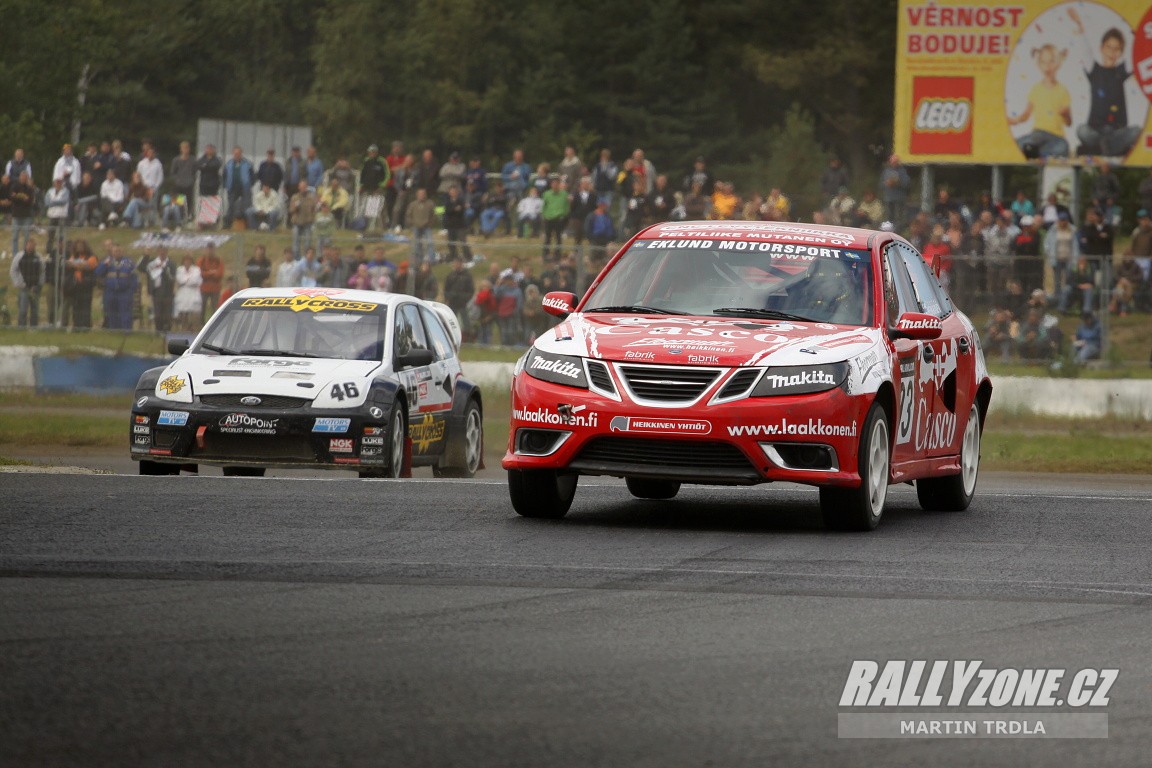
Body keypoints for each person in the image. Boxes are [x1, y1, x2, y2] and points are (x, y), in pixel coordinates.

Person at [1068, 9, 1142, 157]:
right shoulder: (1094, 69)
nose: (1112, 52)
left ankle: (1104, 147)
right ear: (1101, 48)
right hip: (1095, 130)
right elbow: (1084, 50)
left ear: (1121, 52)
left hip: (1116, 130)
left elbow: (1138, 54)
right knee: (1081, 130)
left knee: (1136, 131)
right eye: (1109, 47)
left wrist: (1139, 34)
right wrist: (1078, 24)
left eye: (1117, 49)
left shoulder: (1121, 71)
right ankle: (1108, 147)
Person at [1008, 43, 1071, 158]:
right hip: (1039, 133)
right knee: (1023, 141)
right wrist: (1014, 120)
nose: (1048, 66)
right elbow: (1026, 114)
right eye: (1044, 62)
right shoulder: (1036, 89)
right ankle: (1032, 150)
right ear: (1039, 64)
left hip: (1056, 136)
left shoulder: (1063, 90)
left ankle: (1035, 152)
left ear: (1058, 63)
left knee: (1064, 147)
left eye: (1051, 61)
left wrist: (1066, 115)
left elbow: (1068, 122)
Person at [96, 244, 138, 330]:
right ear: (112, 252)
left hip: (125, 293)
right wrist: (105, 264)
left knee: (125, 312)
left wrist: (132, 289)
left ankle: (126, 331)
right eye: (115, 251)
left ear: (122, 252)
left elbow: (134, 277)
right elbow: (98, 272)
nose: (117, 253)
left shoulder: (128, 262)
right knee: (112, 312)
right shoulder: (107, 261)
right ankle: (114, 331)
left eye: (119, 251)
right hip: (110, 292)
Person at [9, 236, 44, 327]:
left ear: (35, 246)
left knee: (35, 309)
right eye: (29, 245)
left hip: (35, 288)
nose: (30, 247)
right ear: (26, 245)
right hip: (24, 288)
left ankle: (34, 327)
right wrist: (19, 283)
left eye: (32, 245)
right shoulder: (19, 256)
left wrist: (40, 284)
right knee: (23, 309)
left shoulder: (38, 257)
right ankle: (21, 326)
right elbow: (13, 271)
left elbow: (42, 271)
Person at [65, 240, 99, 328]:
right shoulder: (74, 256)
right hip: (75, 286)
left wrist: (75, 264)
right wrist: (79, 264)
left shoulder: (92, 256)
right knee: (76, 308)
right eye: (78, 246)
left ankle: (85, 326)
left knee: (85, 307)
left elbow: (89, 265)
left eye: (81, 246)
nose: (79, 248)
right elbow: (67, 263)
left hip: (86, 285)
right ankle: (76, 326)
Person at [142, 247, 176, 333]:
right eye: (160, 252)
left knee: (167, 315)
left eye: (164, 252)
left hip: (168, 293)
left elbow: (172, 278)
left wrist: (165, 270)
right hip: (156, 292)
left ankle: (167, 332)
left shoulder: (171, 264)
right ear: (157, 252)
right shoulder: (152, 263)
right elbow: (141, 268)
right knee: (157, 315)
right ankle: (159, 332)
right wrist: (146, 256)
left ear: (167, 252)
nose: (162, 254)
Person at [404, 188, 436, 272]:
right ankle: (418, 260)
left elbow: (433, 215)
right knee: (416, 244)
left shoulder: (430, 204)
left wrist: (430, 223)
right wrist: (412, 223)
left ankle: (431, 260)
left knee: (430, 242)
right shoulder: (412, 204)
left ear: (425, 194)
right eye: (420, 194)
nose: (421, 196)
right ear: (417, 195)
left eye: (423, 194)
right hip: (416, 227)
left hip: (427, 227)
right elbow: (408, 215)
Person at [222, 147, 254, 228]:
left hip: (245, 188)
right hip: (232, 188)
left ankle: (248, 225)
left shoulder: (248, 163)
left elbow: (253, 175)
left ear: (241, 154)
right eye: (235, 154)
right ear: (233, 154)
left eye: (239, 153)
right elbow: (224, 176)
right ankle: (227, 225)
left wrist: (249, 184)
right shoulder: (228, 164)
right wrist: (225, 185)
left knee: (247, 207)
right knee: (231, 206)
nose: (237, 155)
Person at [443, 256, 475, 335]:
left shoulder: (467, 276)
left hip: (462, 303)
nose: (456, 265)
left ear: (461, 264)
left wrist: (464, 298)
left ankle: (467, 338)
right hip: (452, 302)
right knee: (450, 322)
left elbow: (471, 290)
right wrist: (448, 297)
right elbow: (446, 289)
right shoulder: (450, 275)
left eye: (458, 263)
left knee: (466, 323)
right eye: (455, 263)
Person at [442, 185, 472, 263]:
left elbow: (461, 210)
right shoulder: (447, 201)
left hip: (460, 225)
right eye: (451, 192)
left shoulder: (461, 200)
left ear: (457, 192)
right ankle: (453, 256)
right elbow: (447, 211)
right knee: (451, 243)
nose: (453, 193)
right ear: (449, 193)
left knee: (463, 242)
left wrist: (455, 209)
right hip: (451, 226)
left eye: (454, 192)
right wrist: (455, 209)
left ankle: (468, 257)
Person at [541, 175, 569, 261]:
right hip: (549, 218)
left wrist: (563, 215)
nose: (555, 185)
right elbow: (544, 206)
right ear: (551, 185)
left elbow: (567, 206)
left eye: (557, 183)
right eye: (554, 183)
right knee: (547, 237)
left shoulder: (564, 194)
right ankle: (545, 254)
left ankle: (557, 255)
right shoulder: (546, 194)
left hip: (559, 219)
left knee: (558, 238)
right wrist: (545, 215)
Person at [879, 154, 910, 228]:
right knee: (889, 217)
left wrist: (897, 183)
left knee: (899, 218)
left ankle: (899, 230)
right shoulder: (886, 171)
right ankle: (888, 229)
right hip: (888, 198)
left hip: (899, 198)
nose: (894, 163)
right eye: (892, 162)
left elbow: (907, 184)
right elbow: (880, 184)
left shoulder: (903, 171)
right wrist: (886, 183)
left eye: (895, 162)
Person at [287, 180, 317, 259]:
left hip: (308, 222)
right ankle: (296, 259)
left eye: (305, 187)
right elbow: (290, 210)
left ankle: (306, 259)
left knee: (307, 243)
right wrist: (295, 207)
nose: (303, 188)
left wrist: (313, 218)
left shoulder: (311, 197)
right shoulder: (294, 197)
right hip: (296, 222)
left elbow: (315, 209)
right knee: (295, 243)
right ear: (299, 187)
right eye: (302, 187)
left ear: (307, 187)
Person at [196, 144, 223, 229]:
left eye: (211, 149)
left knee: (212, 204)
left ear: (214, 150)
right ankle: (202, 222)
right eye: (208, 149)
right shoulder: (202, 158)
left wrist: (206, 166)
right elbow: (199, 166)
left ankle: (212, 222)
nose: (209, 151)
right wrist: (206, 166)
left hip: (213, 185)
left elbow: (216, 166)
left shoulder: (217, 159)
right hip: (203, 184)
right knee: (203, 203)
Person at [494, 269, 524, 345]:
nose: (508, 282)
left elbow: (519, 304)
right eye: (506, 280)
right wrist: (498, 284)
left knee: (511, 331)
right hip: (502, 314)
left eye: (509, 280)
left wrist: (515, 312)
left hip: (512, 314)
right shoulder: (502, 289)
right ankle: (504, 345)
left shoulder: (517, 290)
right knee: (503, 330)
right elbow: (495, 295)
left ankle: (510, 345)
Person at [9, 170, 35, 257]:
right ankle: (15, 254)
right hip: (16, 215)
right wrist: (22, 197)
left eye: (25, 177)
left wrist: (18, 196)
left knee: (26, 237)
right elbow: (12, 198)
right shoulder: (14, 186)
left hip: (26, 216)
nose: (23, 178)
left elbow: (30, 201)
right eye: (22, 177)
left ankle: (25, 253)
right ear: (20, 177)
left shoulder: (30, 188)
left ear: (27, 178)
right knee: (15, 236)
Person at [174, 254, 203, 331]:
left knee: (194, 312)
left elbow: (196, 280)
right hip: (183, 293)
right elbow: (180, 280)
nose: (187, 262)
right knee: (183, 312)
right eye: (185, 261)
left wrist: (186, 280)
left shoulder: (196, 269)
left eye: (189, 261)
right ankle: (184, 328)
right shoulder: (180, 269)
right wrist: (188, 279)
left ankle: (194, 329)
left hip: (193, 293)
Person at [197, 243, 225, 323]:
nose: (210, 251)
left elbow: (220, 274)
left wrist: (207, 273)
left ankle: (215, 324)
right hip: (203, 288)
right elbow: (199, 273)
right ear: (205, 250)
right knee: (202, 307)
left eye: (212, 249)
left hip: (215, 288)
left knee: (215, 308)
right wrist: (211, 273)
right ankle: (201, 324)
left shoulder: (219, 261)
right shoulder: (201, 260)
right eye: (208, 249)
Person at [584, 199, 616, 264]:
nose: (604, 207)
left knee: (604, 260)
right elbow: (587, 228)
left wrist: (611, 238)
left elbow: (611, 228)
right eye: (602, 205)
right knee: (593, 259)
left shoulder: (607, 216)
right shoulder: (592, 216)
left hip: (605, 240)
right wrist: (591, 238)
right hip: (595, 240)